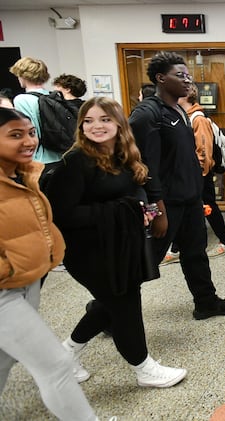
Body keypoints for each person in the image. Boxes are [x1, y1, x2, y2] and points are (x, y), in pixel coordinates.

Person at [47, 98, 187, 388]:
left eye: (104, 119)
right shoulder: (76, 160)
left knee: (111, 303)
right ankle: (144, 368)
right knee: (125, 306)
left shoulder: (123, 156)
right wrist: (124, 211)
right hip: (89, 252)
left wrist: (143, 210)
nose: (96, 126)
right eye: (88, 121)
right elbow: (62, 214)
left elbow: (135, 191)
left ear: (119, 124)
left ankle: (65, 354)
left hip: (119, 245)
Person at [129, 51, 225, 321]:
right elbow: (144, 168)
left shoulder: (180, 110)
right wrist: (158, 212)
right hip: (166, 205)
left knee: (196, 255)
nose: (188, 79)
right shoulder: (147, 114)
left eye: (187, 74)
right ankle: (107, 313)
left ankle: (206, 302)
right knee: (145, 262)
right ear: (160, 78)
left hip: (190, 201)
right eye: (179, 75)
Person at [0, 107, 98, 420]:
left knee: (4, 359)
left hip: (26, 283)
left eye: (30, 132)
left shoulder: (24, 174)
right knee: (55, 364)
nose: (29, 140)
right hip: (4, 291)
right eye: (16, 135)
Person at [180, 84, 225, 259]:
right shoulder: (184, 117)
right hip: (191, 173)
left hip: (200, 174)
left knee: (209, 205)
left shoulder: (198, 118)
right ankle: (176, 247)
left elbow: (203, 150)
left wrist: (200, 175)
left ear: (185, 96)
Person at [9, 56, 60, 164]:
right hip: (60, 156)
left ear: (23, 76)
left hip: (39, 159)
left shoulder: (22, 100)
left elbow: (29, 130)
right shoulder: (54, 96)